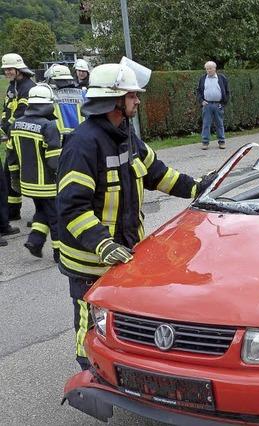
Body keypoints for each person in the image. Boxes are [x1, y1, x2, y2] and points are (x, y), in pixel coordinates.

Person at [56, 60, 219, 370]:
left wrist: (197, 188)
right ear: (113, 100)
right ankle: (90, 375)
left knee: (122, 319)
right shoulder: (83, 145)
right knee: (88, 320)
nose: (138, 101)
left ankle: (125, 369)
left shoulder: (125, 135)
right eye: (132, 96)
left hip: (126, 253)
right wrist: (102, 245)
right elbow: (72, 207)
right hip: (90, 259)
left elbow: (158, 174)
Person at [6, 84, 61, 260]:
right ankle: (59, 253)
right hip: (48, 185)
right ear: (48, 104)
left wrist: (14, 177)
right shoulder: (49, 126)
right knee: (56, 218)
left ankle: (35, 241)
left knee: (41, 211)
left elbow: (11, 156)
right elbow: (54, 161)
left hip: (28, 183)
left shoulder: (16, 125)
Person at [2, 53, 36, 221]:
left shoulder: (28, 87)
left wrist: (9, 126)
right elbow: (6, 108)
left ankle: (42, 213)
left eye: (9, 69)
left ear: (18, 69)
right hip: (12, 137)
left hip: (24, 137)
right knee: (10, 174)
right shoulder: (12, 86)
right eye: (5, 69)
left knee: (33, 174)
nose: (7, 72)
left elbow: (23, 113)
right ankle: (13, 211)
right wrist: (4, 123)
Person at [196, 61, 229, 150]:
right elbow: (198, 91)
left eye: (210, 68)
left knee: (219, 124)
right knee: (206, 124)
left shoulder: (221, 78)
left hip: (218, 105)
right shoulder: (203, 79)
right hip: (207, 105)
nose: (209, 70)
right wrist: (201, 101)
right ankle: (205, 142)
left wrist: (223, 103)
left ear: (215, 69)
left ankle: (222, 142)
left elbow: (226, 91)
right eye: (207, 69)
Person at [46, 64, 85, 138]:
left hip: (59, 137)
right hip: (81, 135)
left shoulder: (51, 95)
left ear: (53, 80)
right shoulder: (82, 94)